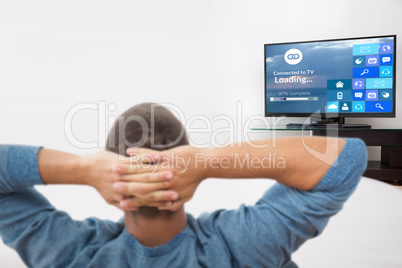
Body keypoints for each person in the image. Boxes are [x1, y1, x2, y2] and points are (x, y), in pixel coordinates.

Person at [0, 102, 367, 267]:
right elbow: (346, 159)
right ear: (185, 174)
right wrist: (206, 163)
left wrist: (83, 169)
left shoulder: (70, 254)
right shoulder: (242, 247)